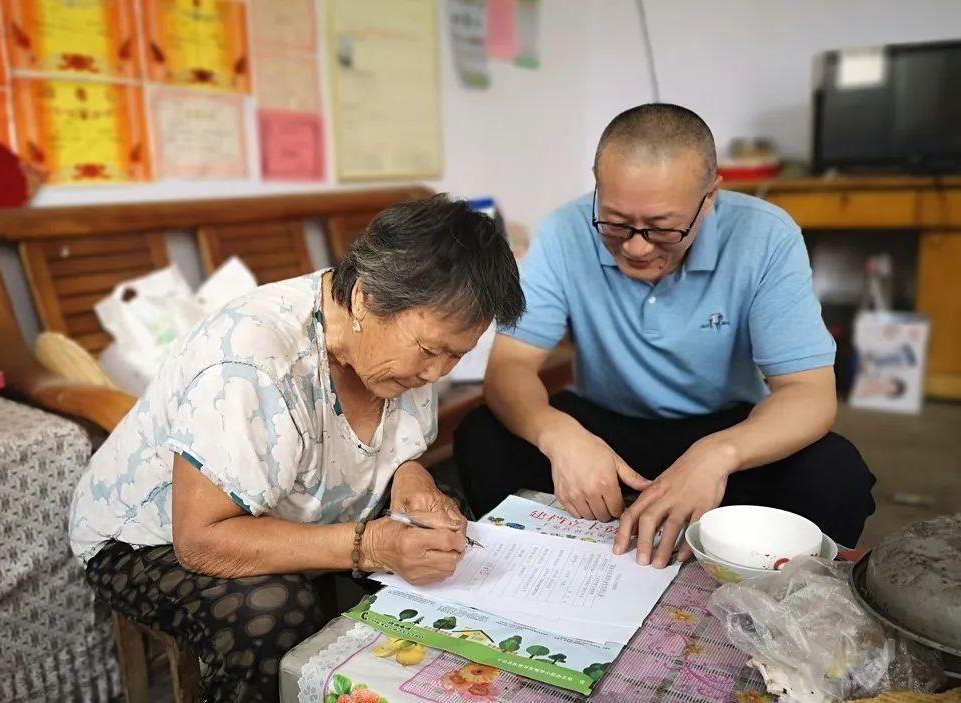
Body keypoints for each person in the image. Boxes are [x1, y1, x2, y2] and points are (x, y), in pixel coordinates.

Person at [68, 195, 525, 702]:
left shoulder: (399, 333)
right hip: (149, 537)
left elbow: (395, 446)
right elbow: (200, 540)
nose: (437, 374)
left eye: (456, 355)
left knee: (443, 528)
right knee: (271, 611)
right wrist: (370, 546)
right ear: (364, 300)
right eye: (430, 351)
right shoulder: (252, 361)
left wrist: (410, 477)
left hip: (308, 499)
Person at [455, 104, 875, 571]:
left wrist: (717, 455)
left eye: (662, 228)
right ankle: (550, 570)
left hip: (723, 429)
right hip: (607, 435)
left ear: (710, 196)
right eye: (614, 222)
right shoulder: (564, 231)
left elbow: (809, 393)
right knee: (483, 435)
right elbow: (510, 366)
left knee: (836, 474)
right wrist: (559, 436)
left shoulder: (766, 236)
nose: (636, 247)